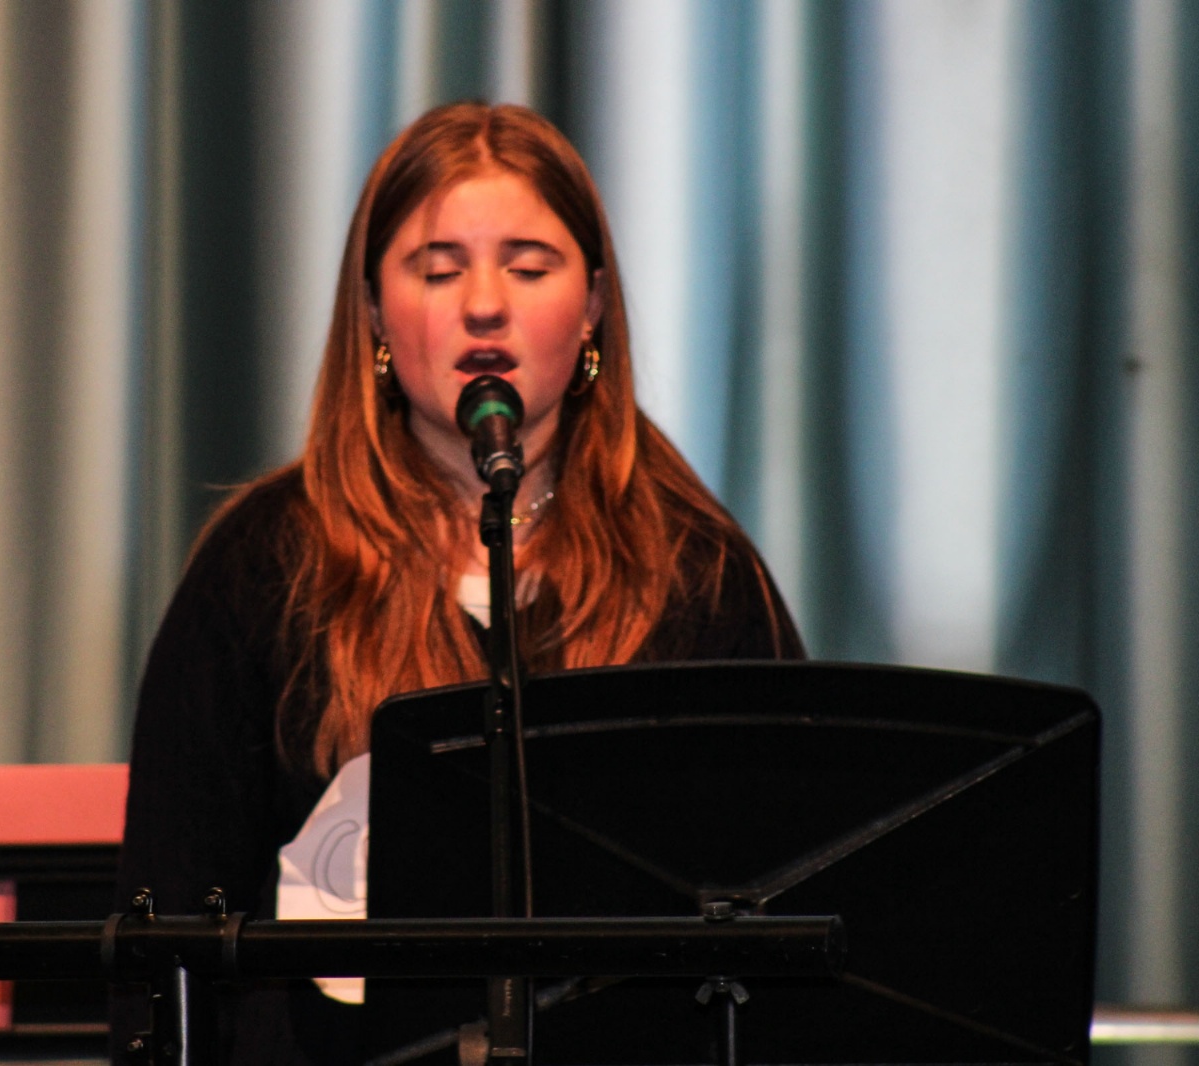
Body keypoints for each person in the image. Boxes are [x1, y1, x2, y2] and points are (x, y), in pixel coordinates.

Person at [114, 101, 805, 1065]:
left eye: (530, 267)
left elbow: (785, 919)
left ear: (593, 306)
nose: (485, 304)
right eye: (438, 270)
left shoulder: (699, 573)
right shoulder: (266, 566)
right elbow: (168, 933)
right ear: (373, 315)